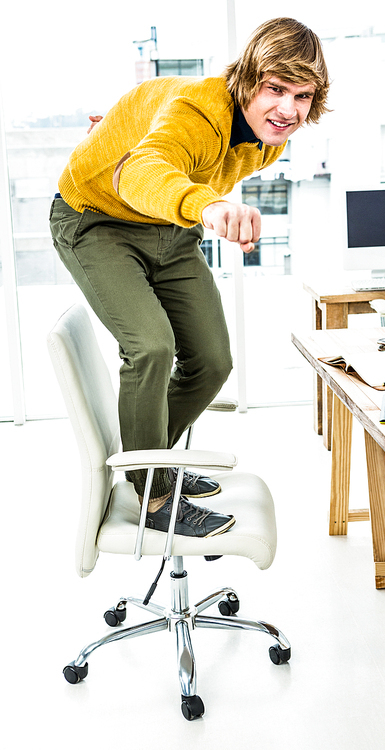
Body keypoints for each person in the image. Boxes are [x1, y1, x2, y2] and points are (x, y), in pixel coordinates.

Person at [49, 17, 330, 538]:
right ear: (246, 78)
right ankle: (152, 496)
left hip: (169, 227)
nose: (288, 109)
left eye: (303, 95)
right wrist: (210, 205)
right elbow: (141, 169)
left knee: (212, 360)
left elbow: (156, 123)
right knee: (152, 347)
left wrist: (117, 124)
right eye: (274, 89)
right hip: (98, 218)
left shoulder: (271, 139)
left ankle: (147, 460)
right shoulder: (201, 109)